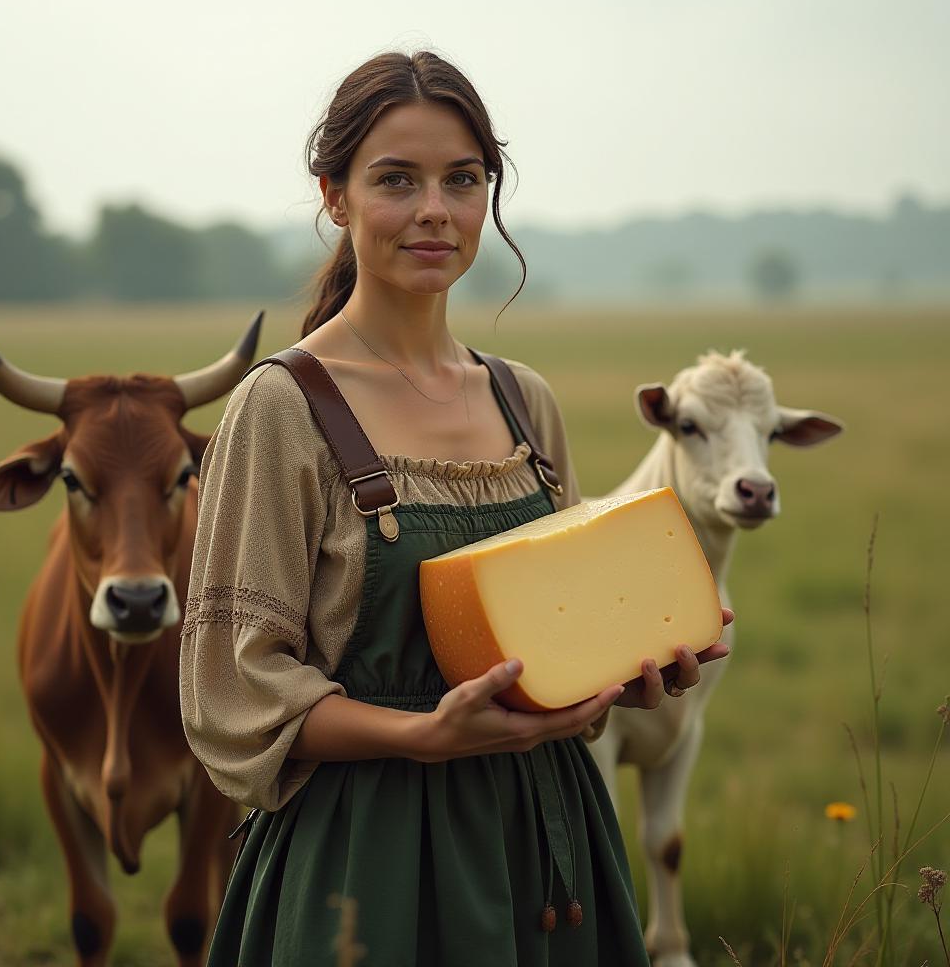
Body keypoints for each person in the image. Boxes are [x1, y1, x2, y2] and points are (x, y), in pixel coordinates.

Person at [180, 49, 731, 966]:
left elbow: (562, 650)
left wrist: (624, 670)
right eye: (396, 180)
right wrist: (423, 735)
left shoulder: (526, 401)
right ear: (334, 196)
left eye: (463, 179)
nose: (436, 209)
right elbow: (234, 693)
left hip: (549, 850)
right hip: (367, 860)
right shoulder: (282, 408)